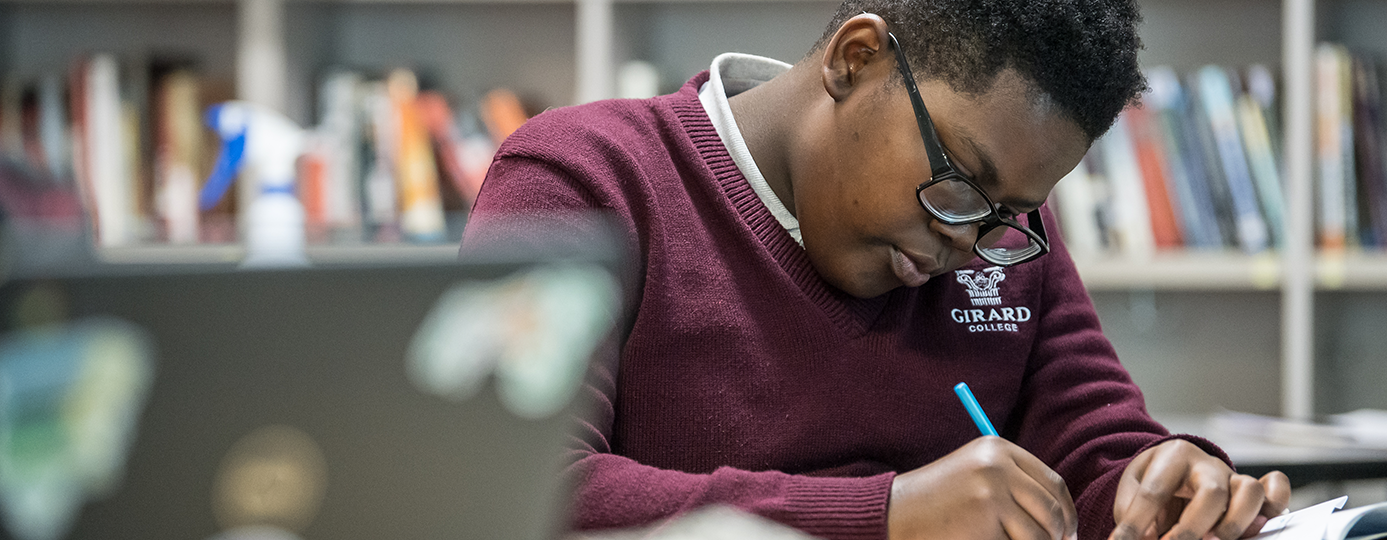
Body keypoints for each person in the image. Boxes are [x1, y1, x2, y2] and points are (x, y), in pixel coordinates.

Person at [461, 1, 1292, 539]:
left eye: (1010, 213)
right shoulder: (585, 177)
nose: (970, 244)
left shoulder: (996, 230)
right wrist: (883, 515)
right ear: (856, 60)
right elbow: (509, 488)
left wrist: (1168, 489)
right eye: (961, 183)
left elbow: (1097, 454)